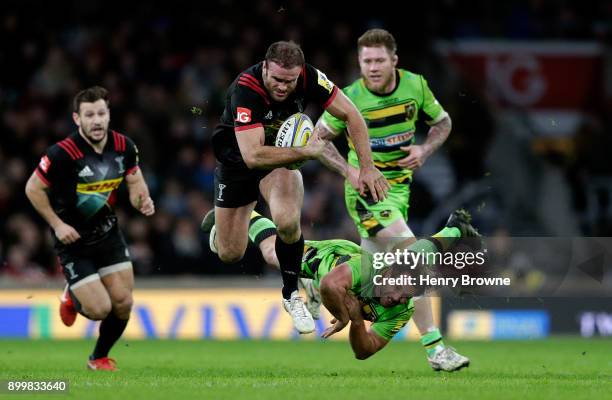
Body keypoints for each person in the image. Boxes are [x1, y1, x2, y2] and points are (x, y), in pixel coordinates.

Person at [206, 40, 389, 334]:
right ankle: (247, 220)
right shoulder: (246, 89)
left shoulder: (310, 78)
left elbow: (352, 115)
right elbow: (253, 156)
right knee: (230, 253)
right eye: (276, 79)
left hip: (281, 161)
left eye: (289, 81)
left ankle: (291, 295)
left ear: (299, 73)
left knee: (289, 223)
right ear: (265, 67)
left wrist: (366, 167)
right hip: (239, 165)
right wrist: (306, 152)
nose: (282, 87)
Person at [313, 28, 468, 368]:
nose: (372, 67)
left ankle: (311, 285)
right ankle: (436, 349)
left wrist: (426, 149)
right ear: (359, 62)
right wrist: (349, 171)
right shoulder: (348, 97)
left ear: (394, 60)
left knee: (373, 272)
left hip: (400, 193)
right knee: (412, 260)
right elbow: (317, 138)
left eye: (379, 60)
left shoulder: (416, 86)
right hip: (366, 194)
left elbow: (443, 122)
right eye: (366, 61)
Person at [221, 208, 475, 368]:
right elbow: (330, 283)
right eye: (397, 290)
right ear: (388, 273)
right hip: (330, 260)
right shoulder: (370, 268)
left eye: (405, 297)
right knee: (272, 254)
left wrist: (355, 321)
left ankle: (456, 226)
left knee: (415, 247)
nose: (397, 299)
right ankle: (244, 213)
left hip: (360, 263)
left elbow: (365, 351)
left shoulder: (402, 307)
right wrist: (342, 317)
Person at [25, 86, 154, 371]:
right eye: (89, 115)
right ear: (77, 119)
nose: (96, 121)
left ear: (109, 115)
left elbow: (135, 181)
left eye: (101, 114)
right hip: (73, 242)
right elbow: (33, 188)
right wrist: (57, 225)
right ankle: (71, 294)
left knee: (123, 303)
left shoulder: (124, 147)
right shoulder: (62, 154)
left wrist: (142, 200)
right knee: (99, 310)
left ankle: (98, 358)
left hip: (108, 235)